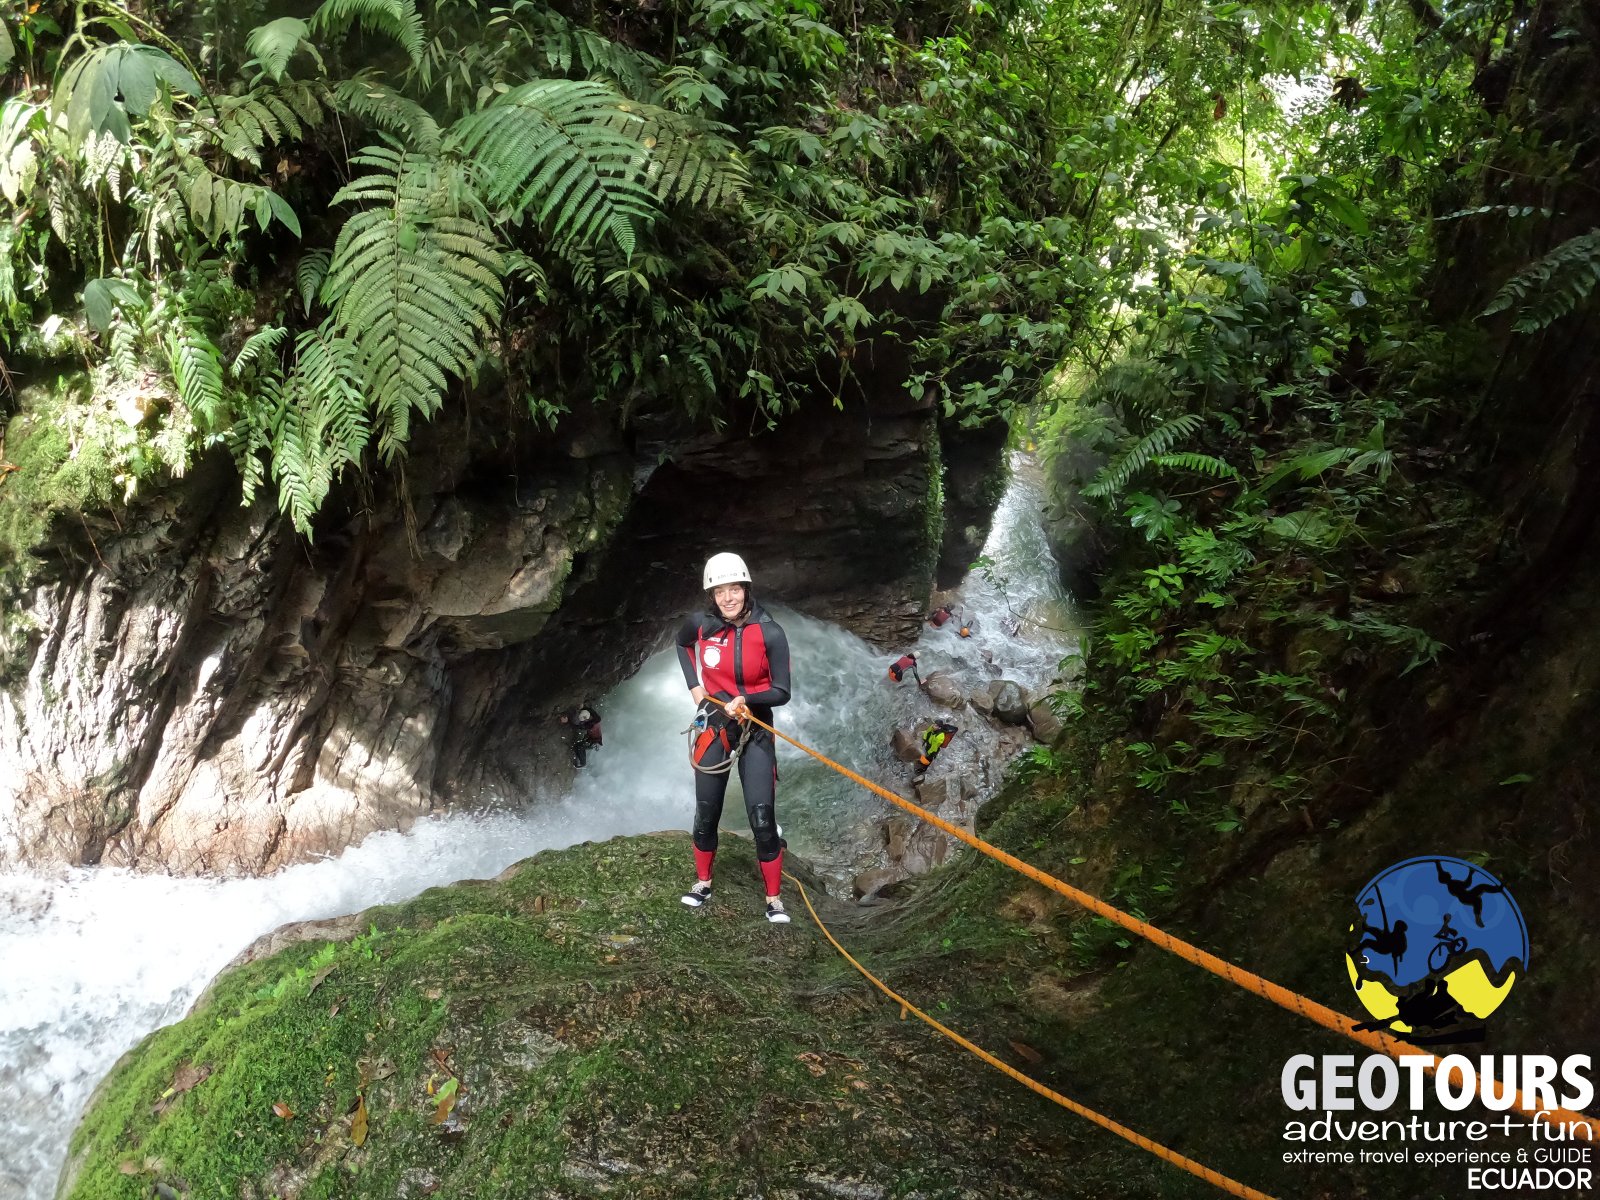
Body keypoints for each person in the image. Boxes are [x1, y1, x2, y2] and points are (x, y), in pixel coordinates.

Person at [675, 552, 794, 924]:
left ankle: (773, 899)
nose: (728, 598)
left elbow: (782, 690)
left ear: (746, 589)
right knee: (706, 813)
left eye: (735, 590)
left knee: (761, 816)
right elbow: (681, 645)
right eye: (720, 591)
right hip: (714, 726)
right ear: (712, 595)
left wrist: (748, 700)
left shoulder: (770, 632)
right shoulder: (701, 625)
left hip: (755, 728)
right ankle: (703, 883)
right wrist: (697, 691)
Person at [559, 703, 603, 768]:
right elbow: (589, 710)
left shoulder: (590, 725)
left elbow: (577, 727)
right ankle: (577, 756)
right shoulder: (594, 717)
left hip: (595, 742)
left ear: (586, 719)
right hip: (592, 739)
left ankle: (583, 763)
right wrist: (583, 707)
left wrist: (567, 722)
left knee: (579, 746)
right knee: (578, 746)